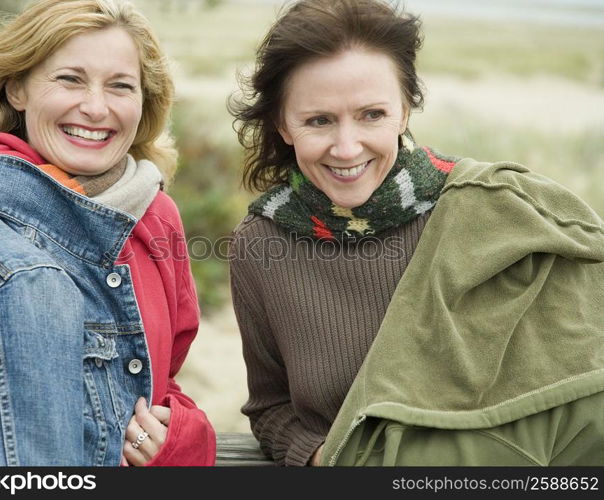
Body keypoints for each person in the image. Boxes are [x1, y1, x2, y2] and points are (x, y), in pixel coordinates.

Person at [228, 0, 604, 466]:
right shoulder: (261, 244)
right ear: (283, 124)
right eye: (319, 120)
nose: (347, 148)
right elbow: (270, 408)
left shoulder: (494, 210)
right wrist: (321, 457)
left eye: (372, 115)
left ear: (405, 111)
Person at [0, 0, 215, 466]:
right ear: (16, 89)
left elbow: (159, 383)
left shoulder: (155, 214)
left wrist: (183, 440)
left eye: (121, 86)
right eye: (70, 79)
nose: (95, 107)